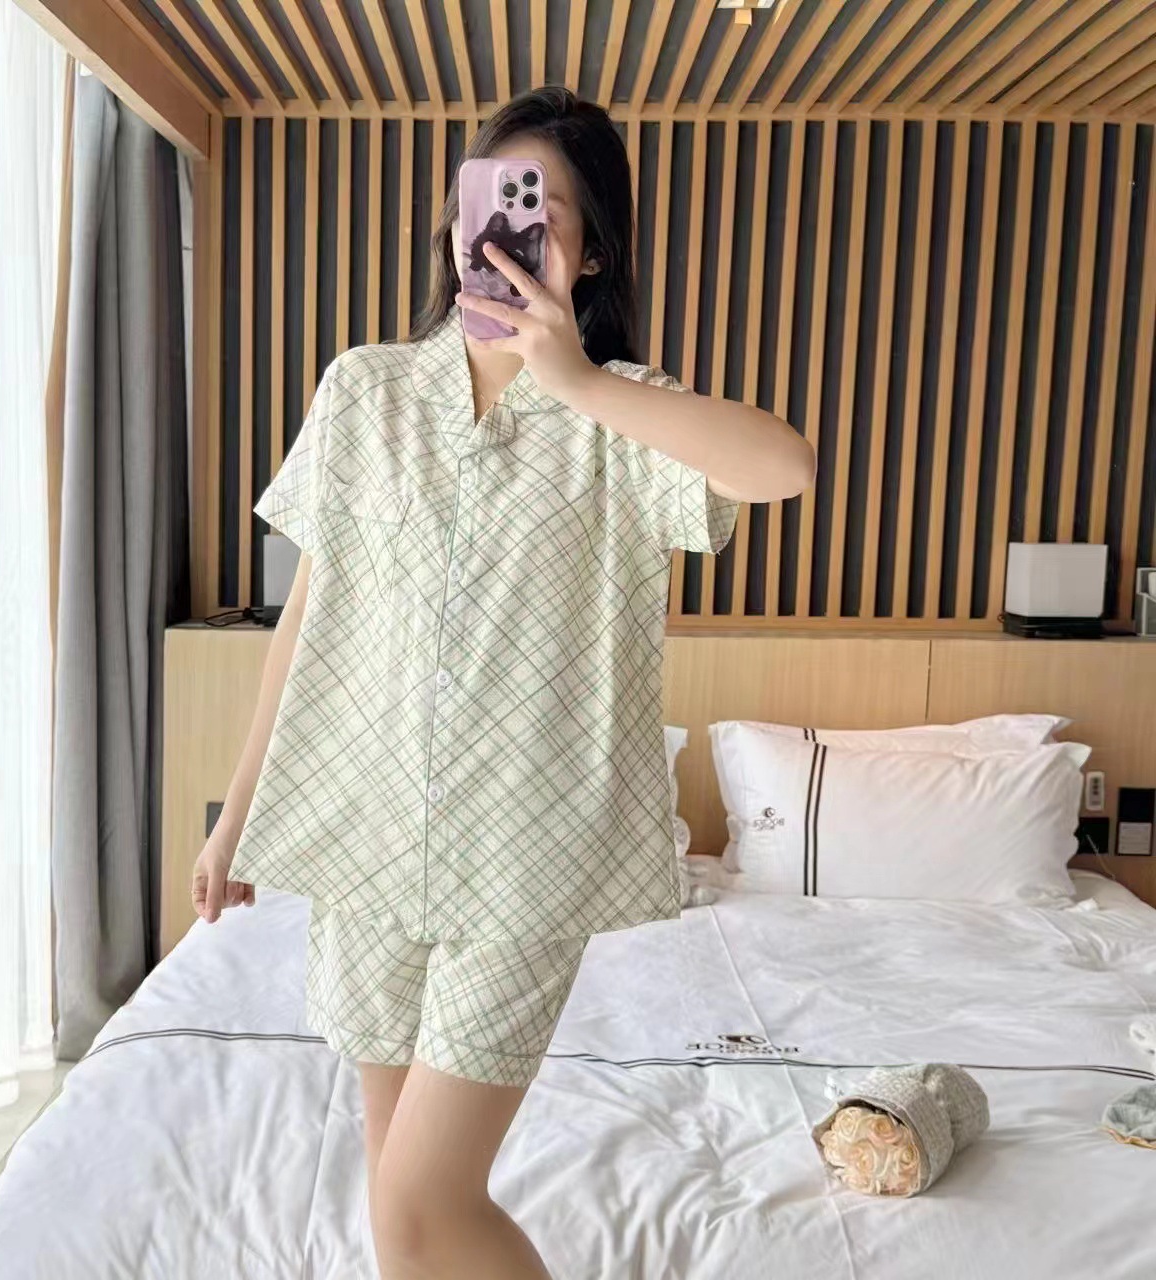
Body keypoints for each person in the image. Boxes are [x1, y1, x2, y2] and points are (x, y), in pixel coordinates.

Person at [191, 86, 815, 1280]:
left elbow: (783, 466)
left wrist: (578, 380)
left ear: (590, 251)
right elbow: (306, 618)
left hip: (526, 857)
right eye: (483, 202)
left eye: (542, 213)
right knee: (395, 1203)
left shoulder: (624, 413)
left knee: (426, 1194)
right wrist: (237, 814)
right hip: (367, 838)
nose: (502, 232)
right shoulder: (365, 391)